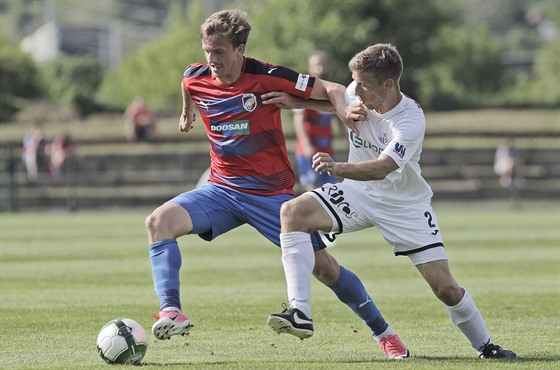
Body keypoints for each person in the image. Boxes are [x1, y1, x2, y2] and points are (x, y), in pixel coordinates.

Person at [146, 10, 410, 359]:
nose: (211, 60)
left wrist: (344, 112)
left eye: (220, 52)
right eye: (207, 51)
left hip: (271, 196)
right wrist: (186, 111)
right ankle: (171, 311)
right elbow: (188, 84)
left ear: (240, 50)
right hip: (220, 190)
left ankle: (385, 334)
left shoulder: (268, 76)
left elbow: (330, 88)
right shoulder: (196, 76)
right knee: (158, 222)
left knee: (326, 269)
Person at [265, 44, 517, 360]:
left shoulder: (410, 121)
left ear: (388, 84)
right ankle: (299, 310)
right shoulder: (360, 89)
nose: (356, 90)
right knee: (292, 212)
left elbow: (383, 167)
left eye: (363, 84)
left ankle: (486, 346)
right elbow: (338, 99)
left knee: (445, 289)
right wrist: (298, 103)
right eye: (354, 82)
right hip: (358, 194)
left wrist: (337, 167)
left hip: (405, 206)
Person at [293, 52, 345, 192]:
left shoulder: (331, 91)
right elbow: (299, 120)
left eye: (322, 65)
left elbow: (339, 116)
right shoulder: (304, 92)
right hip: (310, 151)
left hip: (327, 150)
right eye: (316, 66)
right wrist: (306, 145)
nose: (320, 69)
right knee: (313, 190)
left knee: (330, 189)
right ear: (309, 68)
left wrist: (347, 137)